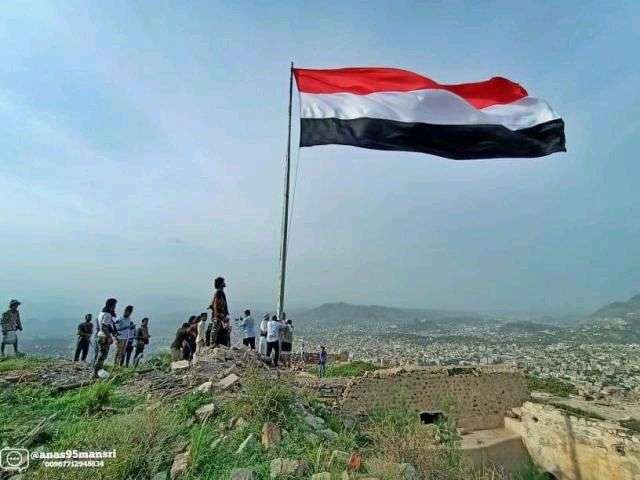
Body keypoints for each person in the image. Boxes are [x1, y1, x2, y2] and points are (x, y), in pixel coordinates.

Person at [94, 298, 117, 378]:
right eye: (114, 305)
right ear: (111, 306)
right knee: (103, 355)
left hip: (101, 336)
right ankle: (96, 372)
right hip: (104, 337)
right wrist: (109, 337)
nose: (115, 307)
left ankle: (97, 372)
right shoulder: (107, 315)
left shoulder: (102, 313)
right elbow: (104, 326)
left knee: (101, 355)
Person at [209, 276, 230, 347]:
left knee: (221, 330)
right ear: (220, 284)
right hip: (218, 315)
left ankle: (219, 343)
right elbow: (215, 304)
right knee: (215, 329)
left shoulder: (221, 292)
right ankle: (212, 343)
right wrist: (218, 314)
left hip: (221, 315)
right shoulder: (218, 292)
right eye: (223, 282)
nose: (224, 283)